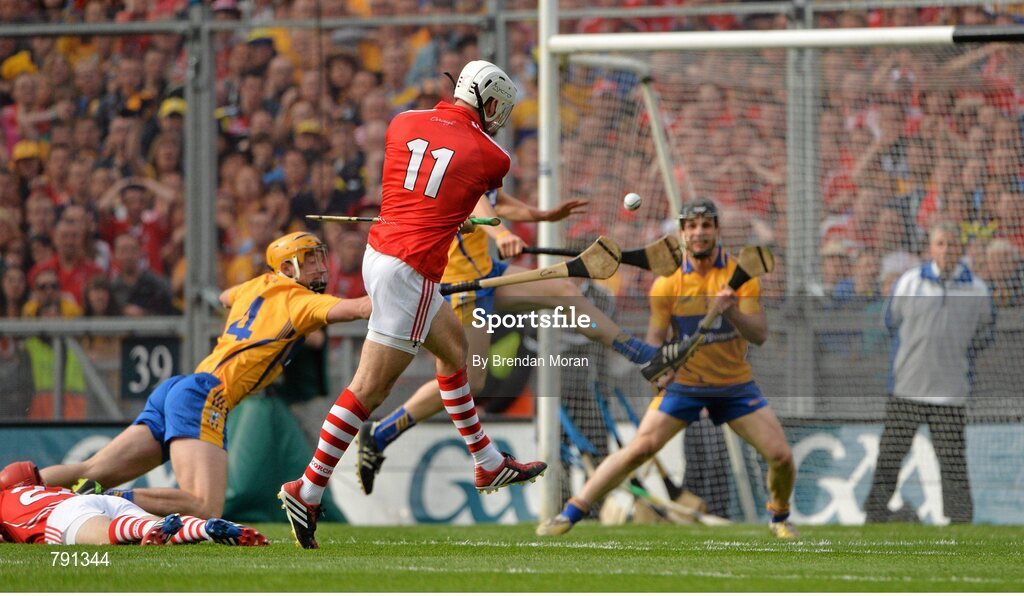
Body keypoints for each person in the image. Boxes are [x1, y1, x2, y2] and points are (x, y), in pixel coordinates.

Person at [278, 60, 546, 550]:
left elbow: (427, 187)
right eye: (497, 108)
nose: (498, 117)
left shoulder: (401, 122)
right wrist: (458, 216)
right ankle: (307, 488)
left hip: (377, 253)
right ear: (486, 100)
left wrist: (450, 215)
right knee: (369, 390)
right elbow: (472, 192)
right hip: (413, 267)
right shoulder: (494, 156)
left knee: (454, 353)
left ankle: (486, 463)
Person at [353, 188, 671, 495]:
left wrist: (542, 215)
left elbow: (497, 200)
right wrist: (501, 235)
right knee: (468, 382)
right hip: (462, 282)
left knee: (565, 293)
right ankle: (382, 433)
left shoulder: (485, 152)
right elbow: (477, 199)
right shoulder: (467, 151)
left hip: (489, 271)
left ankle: (643, 355)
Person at [36, 231, 371, 520]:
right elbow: (358, 309)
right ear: (287, 268)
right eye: (309, 259)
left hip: (179, 388)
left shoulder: (256, 284)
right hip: (207, 395)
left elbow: (225, 297)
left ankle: (18, 488)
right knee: (206, 506)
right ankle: (107, 502)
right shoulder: (299, 300)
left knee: (89, 470)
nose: (319, 266)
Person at [536, 199, 799, 540]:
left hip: (734, 385)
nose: (699, 232)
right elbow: (655, 341)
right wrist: (660, 374)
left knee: (780, 456)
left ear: (716, 230)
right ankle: (570, 514)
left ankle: (779, 516)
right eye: (691, 226)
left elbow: (759, 334)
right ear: (682, 233)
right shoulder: (667, 284)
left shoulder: (739, 276)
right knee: (639, 449)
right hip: (685, 384)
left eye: (706, 225)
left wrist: (730, 311)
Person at [864, 221, 994, 524]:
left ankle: (960, 518)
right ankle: (876, 511)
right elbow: (889, 322)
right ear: (930, 248)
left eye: (952, 244)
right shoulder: (910, 283)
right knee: (891, 454)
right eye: (940, 244)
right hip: (907, 388)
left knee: (952, 460)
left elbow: (985, 332)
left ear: (960, 248)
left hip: (950, 392)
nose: (946, 250)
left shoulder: (977, 289)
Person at [0, 462, 267, 546]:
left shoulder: (4, 500)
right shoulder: (49, 490)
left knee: (109, 534)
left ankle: (143, 531)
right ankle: (207, 529)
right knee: (164, 527)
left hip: (61, 516)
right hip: (95, 499)